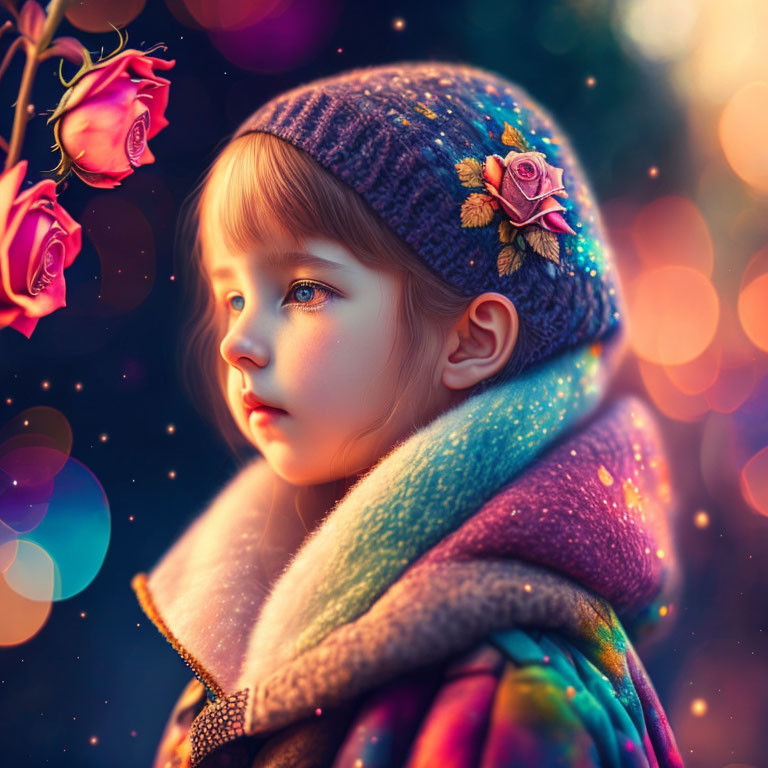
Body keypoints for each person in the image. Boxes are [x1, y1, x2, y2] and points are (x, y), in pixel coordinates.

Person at [131, 61, 684, 768]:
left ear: (472, 340)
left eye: (302, 290)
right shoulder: (251, 627)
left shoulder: (510, 694)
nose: (237, 342)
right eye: (233, 297)